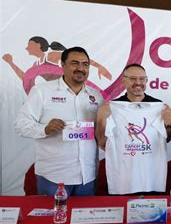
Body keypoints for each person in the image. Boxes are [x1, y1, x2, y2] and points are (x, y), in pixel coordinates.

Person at [14, 46, 104, 196]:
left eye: (85, 64)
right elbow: (20, 124)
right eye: (74, 63)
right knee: (53, 219)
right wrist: (44, 129)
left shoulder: (96, 96)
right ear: (62, 65)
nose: (80, 68)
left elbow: (99, 131)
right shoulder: (42, 91)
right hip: (53, 177)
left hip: (87, 177)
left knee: (83, 219)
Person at [95, 63, 171, 149]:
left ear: (146, 80)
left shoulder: (159, 106)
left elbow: (166, 139)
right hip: (122, 161)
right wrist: (102, 119)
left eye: (142, 79)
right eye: (133, 79)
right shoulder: (112, 107)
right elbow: (102, 142)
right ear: (123, 81)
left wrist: (169, 124)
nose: (138, 82)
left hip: (150, 161)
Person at [2, 36, 112, 95]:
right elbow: (25, 78)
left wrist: (99, 67)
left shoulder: (50, 56)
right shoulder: (36, 65)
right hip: (59, 95)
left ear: (38, 45)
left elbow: (78, 58)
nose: (26, 48)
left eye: (29, 45)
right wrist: (11, 63)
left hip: (74, 90)